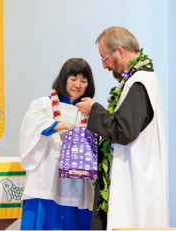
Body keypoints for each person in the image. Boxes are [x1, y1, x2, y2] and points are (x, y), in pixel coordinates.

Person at [76, 26, 169, 230]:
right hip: (136, 176)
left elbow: (124, 131)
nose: (104, 66)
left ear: (119, 50)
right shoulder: (136, 81)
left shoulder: (140, 82)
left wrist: (94, 110)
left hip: (136, 184)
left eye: (105, 58)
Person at [19, 58, 96, 230]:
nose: (78, 84)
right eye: (73, 79)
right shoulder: (43, 104)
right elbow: (34, 122)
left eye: (83, 81)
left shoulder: (90, 111)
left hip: (77, 183)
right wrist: (62, 125)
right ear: (64, 79)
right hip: (46, 179)